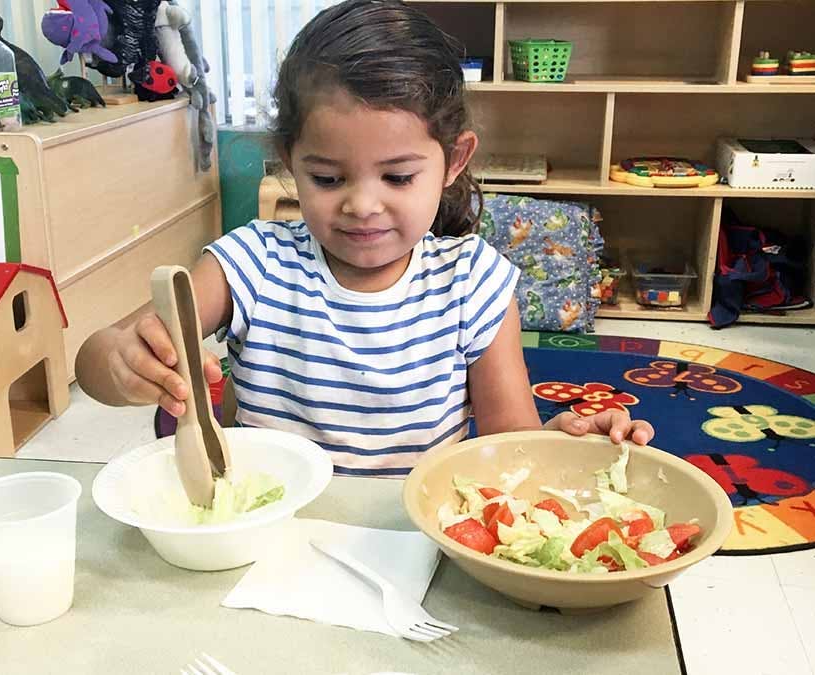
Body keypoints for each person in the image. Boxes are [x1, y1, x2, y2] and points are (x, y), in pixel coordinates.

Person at [76, 0, 654, 477]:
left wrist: (567, 443)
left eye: (399, 177)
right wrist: (123, 363)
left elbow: (512, 444)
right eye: (327, 178)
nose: (361, 205)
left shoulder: (472, 283)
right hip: (269, 535)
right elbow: (95, 359)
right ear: (289, 160)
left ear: (454, 161)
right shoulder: (251, 265)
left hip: (417, 544)